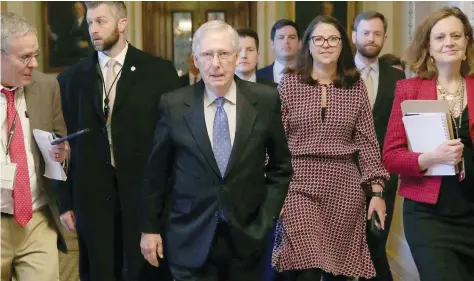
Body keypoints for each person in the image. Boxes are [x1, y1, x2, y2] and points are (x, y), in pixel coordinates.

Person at [139, 20, 293, 281]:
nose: (216, 63)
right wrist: (150, 229)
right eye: (207, 55)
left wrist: (265, 218)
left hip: (247, 237)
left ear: (236, 57)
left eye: (223, 54)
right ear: (196, 61)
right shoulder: (174, 105)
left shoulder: (265, 100)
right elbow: (156, 174)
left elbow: (280, 167)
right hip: (189, 236)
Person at [56, 2, 181, 281]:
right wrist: (64, 201)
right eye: (90, 23)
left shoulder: (159, 73)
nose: (94, 30)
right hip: (92, 198)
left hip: (144, 198)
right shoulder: (71, 79)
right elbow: (60, 144)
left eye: (101, 22)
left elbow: (174, 143)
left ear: (122, 24)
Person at [271, 15, 389, 281]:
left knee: (339, 274)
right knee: (306, 268)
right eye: (319, 39)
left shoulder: (355, 85)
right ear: (308, 46)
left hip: (344, 189)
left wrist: (377, 192)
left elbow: (367, 142)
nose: (326, 44)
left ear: (342, 45)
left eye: (333, 38)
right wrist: (273, 191)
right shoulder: (290, 83)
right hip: (298, 184)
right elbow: (275, 142)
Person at [383, 7, 474, 281]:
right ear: (429, 48)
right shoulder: (408, 90)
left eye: (457, 35)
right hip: (428, 215)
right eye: (440, 37)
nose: (450, 42)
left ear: (467, 43)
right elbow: (391, 156)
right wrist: (429, 158)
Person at [1, 12, 68, 281]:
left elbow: (60, 135)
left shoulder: (47, 85)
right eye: (25, 57)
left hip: (37, 219)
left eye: (36, 54)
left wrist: (62, 154)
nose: (34, 63)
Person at [351, 11, 406, 281]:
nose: (371, 38)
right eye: (365, 33)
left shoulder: (398, 79)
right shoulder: (338, 75)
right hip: (342, 174)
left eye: (377, 33)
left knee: (375, 243)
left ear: (384, 37)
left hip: (384, 175)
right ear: (354, 36)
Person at [257, 19, 301, 84]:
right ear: (272, 44)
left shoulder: (311, 75)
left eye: (291, 37)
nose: (286, 41)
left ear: (299, 44)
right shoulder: (257, 76)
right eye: (281, 37)